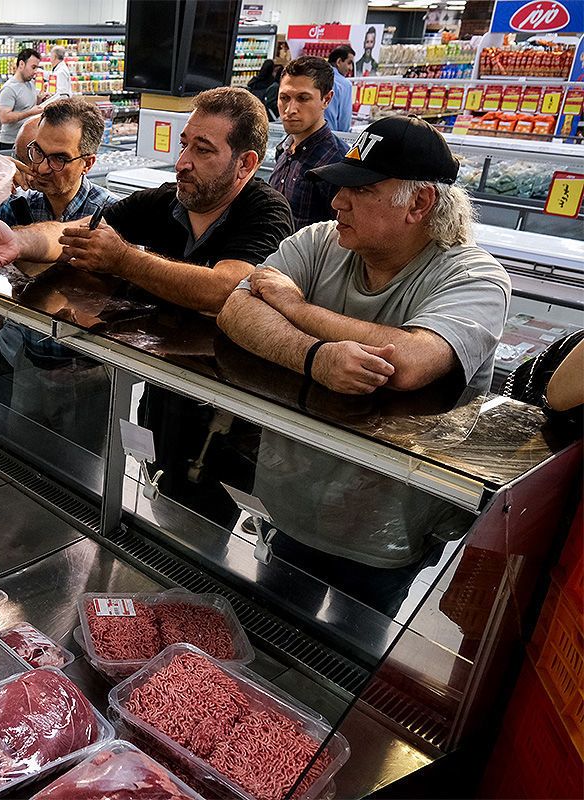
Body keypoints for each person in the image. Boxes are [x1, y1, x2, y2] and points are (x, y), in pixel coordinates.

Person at [0, 87, 294, 523]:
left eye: (202, 149)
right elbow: (77, 230)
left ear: (245, 164)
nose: (183, 161)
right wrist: (17, 240)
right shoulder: (165, 201)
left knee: (206, 532)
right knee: (155, 504)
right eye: (184, 143)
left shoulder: (264, 210)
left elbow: (226, 288)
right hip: (161, 394)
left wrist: (126, 259)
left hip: (227, 417)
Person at [218, 118, 510, 614]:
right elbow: (235, 308)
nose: (338, 203)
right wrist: (314, 358)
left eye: (362, 190)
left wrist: (296, 310)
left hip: (388, 527)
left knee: (351, 667)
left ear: (419, 204)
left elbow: (411, 362)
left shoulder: (476, 277)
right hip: (290, 500)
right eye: (340, 188)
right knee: (272, 632)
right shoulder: (319, 241)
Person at [0, 98, 116, 449]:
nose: (43, 168)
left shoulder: (111, 214)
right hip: (28, 361)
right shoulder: (16, 205)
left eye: (59, 158)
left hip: (88, 370)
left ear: (88, 163)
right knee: (23, 457)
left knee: (82, 473)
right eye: (36, 152)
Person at [269, 57, 348, 230]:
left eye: (303, 98)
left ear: (326, 99)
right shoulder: (284, 149)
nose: (290, 109)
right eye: (284, 98)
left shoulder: (337, 162)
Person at [0, 48, 48, 153]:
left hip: (28, 139)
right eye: (33, 67)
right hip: (11, 143)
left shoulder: (30, 83)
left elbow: (28, 106)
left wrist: (40, 100)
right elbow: (4, 117)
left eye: (37, 68)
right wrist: (30, 112)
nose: (35, 72)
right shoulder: (9, 88)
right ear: (21, 64)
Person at [325, 45, 355, 132]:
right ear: (339, 62)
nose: (350, 68)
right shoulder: (344, 85)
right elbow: (344, 119)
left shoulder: (315, 77)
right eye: (349, 63)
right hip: (331, 136)